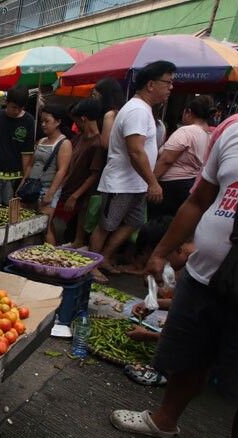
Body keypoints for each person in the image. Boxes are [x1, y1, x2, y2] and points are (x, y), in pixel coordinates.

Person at [110, 111, 238, 438]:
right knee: (188, 357)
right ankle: (164, 420)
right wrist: (159, 253)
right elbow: (199, 200)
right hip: (205, 275)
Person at [88, 61, 175, 283]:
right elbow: (135, 151)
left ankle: (105, 258)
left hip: (135, 183)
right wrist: (153, 182)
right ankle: (90, 265)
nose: (170, 88)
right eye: (168, 82)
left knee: (134, 222)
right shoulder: (137, 110)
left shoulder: (144, 110)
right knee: (106, 225)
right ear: (151, 85)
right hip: (121, 182)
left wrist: (147, 182)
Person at [122, 216, 195, 387]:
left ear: (174, 248)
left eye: (162, 262)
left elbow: (196, 332)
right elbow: (183, 302)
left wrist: (149, 336)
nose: (160, 269)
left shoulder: (199, 268)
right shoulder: (192, 258)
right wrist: (153, 303)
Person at [149, 95, 214, 218]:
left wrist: (151, 182)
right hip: (190, 185)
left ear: (188, 112)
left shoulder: (186, 131)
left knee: (157, 223)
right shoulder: (209, 135)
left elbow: (167, 160)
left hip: (170, 186)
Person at [55, 99, 105, 248]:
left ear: (83, 118)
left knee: (61, 229)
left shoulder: (97, 143)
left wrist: (75, 196)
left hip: (79, 196)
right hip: (67, 190)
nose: (75, 125)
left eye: (76, 121)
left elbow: (94, 175)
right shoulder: (79, 138)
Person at [0, 86, 35, 206]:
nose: (16, 111)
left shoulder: (29, 121)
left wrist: (25, 180)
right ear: (6, 102)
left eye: (20, 108)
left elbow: (27, 155)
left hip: (15, 176)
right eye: (13, 107)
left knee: (9, 210)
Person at [28, 104, 73, 244]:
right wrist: (24, 184)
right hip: (33, 187)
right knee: (34, 224)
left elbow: (62, 170)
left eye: (47, 121)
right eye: (42, 121)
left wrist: (51, 193)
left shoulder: (64, 143)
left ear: (58, 122)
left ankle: (50, 258)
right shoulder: (42, 141)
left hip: (47, 189)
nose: (43, 124)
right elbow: (31, 164)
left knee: (45, 227)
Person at [92, 77, 125, 149]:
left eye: (95, 95)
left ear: (105, 95)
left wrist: (94, 130)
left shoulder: (110, 115)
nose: (93, 99)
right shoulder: (120, 111)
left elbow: (105, 143)